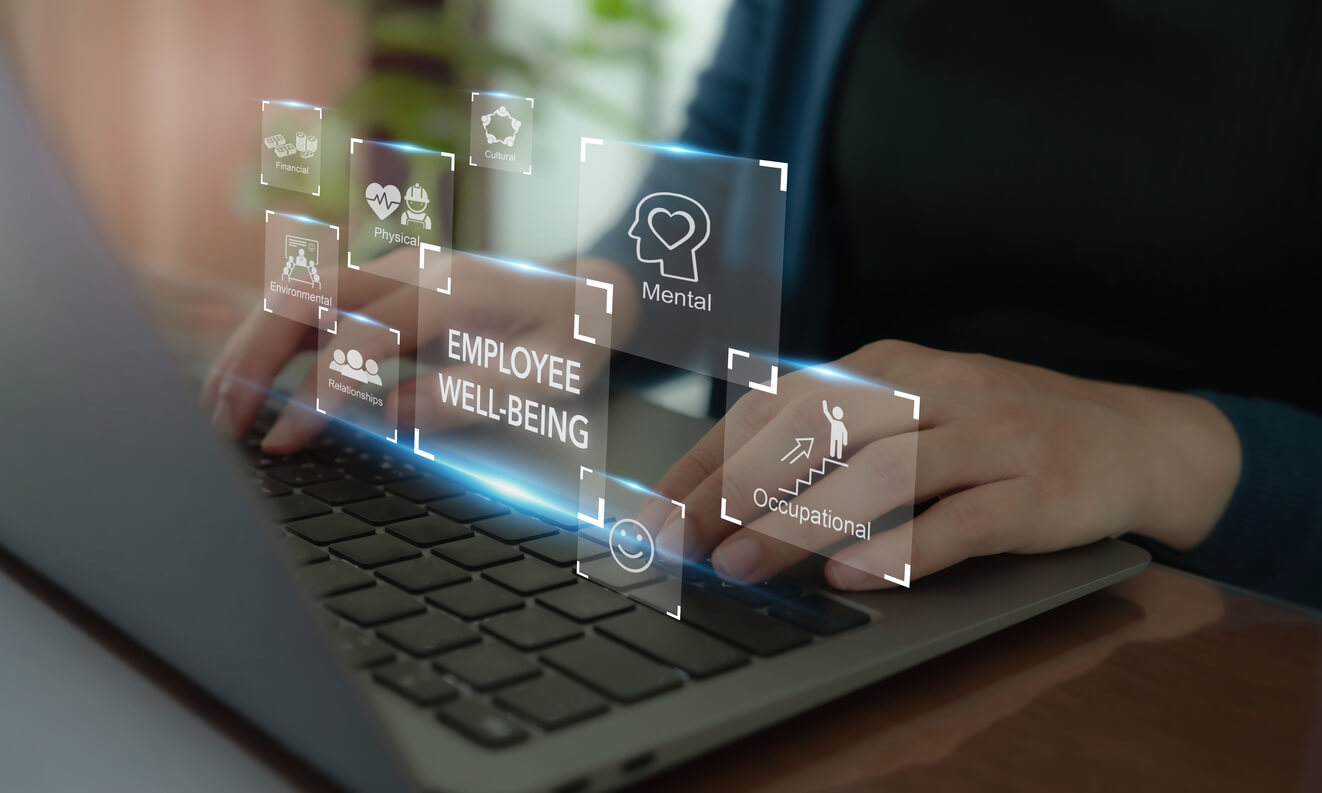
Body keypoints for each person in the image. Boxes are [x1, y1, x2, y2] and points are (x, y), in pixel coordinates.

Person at [204, 0, 1322, 609]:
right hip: (808, 583)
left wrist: (1166, 449)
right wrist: (599, 292)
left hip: (1209, 642)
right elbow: (726, 170)